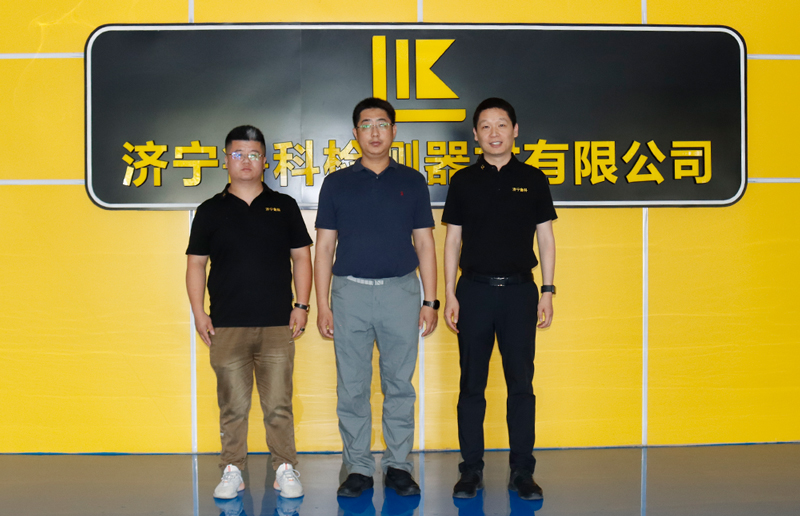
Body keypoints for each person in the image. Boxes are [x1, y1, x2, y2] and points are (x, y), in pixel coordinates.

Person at [314, 97, 438, 498]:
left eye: (382, 124)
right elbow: (324, 247)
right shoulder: (336, 183)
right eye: (366, 125)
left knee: (399, 384)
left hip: (401, 292)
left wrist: (430, 300)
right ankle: (358, 468)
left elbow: (425, 243)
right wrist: (323, 304)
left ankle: (399, 466)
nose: (374, 132)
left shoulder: (412, 181)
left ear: (394, 131)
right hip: (349, 293)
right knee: (352, 387)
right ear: (355, 133)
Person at [186, 125, 312, 500]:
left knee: (278, 405)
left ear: (265, 161)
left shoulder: (283, 206)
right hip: (226, 326)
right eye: (238, 154)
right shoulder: (210, 210)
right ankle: (232, 470)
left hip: (277, 324)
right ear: (226, 159)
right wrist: (198, 313)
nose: (246, 160)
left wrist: (302, 305)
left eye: (253, 154)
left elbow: (302, 258)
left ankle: (284, 467)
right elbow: (196, 264)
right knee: (232, 406)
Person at [442, 98, 557, 501]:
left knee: (521, 385)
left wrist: (547, 290)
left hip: (520, 293)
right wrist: (449, 293)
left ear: (515, 130)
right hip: (473, 292)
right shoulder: (463, 181)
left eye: (502, 124)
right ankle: (470, 470)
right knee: (471, 384)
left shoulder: (533, 178)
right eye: (486, 126)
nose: (494, 133)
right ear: (475, 134)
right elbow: (452, 240)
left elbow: (546, 238)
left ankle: (522, 471)